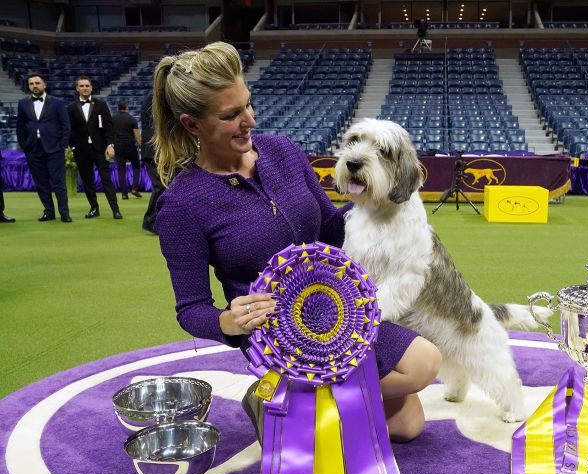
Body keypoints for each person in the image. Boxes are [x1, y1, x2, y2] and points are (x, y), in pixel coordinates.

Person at [152, 42, 442, 442]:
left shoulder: (283, 150)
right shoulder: (181, 205)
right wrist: (228, 321)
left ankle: (292, 403)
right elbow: (191, 308)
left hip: (340, 312)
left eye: (248, 105)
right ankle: (281, 390)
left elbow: (329, 227)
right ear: (191, 125)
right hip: (278, 335)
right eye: (231, 115)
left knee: (409, 424)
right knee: (421, 366)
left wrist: (384, 208)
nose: (249, 120)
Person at [16, 72, 72, 222]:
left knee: (58, 182)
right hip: (33, 150)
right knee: (41, 183)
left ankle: (64, 212)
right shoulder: (22, 103)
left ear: (44, 85)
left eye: (37, 83)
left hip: (54, 149)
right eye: (31, 84)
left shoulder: (57, 102)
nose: (34, 86)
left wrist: (62, 146)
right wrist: (24, 145)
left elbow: (66, 126)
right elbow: (20, 127)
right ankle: (49, 211)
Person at [67, 75, 122, 219]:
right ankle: (94, 208)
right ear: (77, 88)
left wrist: (110, 145)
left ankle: (115, 209)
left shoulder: (101, 104)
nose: (85, 88)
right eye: (82, 86)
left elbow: (109, 126)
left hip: (100, 149)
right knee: (87, 180)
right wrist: (72, 147)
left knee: (106, 179)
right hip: (81, 150)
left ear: (91, 87)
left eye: (87, 86)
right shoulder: (71, 108)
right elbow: (69, 129)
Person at [140, 92, 164, 234]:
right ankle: (150, 221)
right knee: (160, 186)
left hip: (157, 150)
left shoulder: (154, 98)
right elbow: (153, 128)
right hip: (153, 151)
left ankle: (157, 220)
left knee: (163, 187)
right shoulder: (153, 99)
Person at [111, 101, 142, 200]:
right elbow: (137, 136)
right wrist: (142, 145)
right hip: (130, 146)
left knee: (121, 170)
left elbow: (109, 133)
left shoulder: (113, 119)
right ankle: (135, 188)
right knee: (136, 166)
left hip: (118, 146)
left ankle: (124, 194)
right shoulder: (131, 119)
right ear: (126, 107)